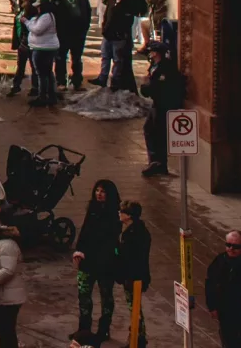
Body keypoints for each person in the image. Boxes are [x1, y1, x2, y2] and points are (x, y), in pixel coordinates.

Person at [70, 180, 120, 345]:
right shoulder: (92, 209)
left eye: (103, 191)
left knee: (106, 296)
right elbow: (85, 231)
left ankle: (103, 330)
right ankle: (83, 330)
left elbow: (108, 239)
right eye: (97, 190)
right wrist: (78, 250)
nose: (99, 194)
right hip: (87, 262)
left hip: (105, 264)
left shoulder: (114, 214)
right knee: (84, 296)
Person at [204, 230, 241, 346]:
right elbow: (210, 283)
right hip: (224, 310)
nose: (231, 249)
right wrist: (212, 306)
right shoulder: (220, 260)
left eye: (235, 246)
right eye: (228, 245)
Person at [139, 42, 184, 175]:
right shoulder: (155, 66)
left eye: (152, 51)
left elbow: (155, 87)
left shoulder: (165, 68)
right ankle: (155, 160)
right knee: (150, 129)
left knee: (157, 132)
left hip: (163, 104)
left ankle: (159, 162)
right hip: (157, 103)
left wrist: (145, 85)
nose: (150, 54)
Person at [113, 201, 152, 348]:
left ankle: (138, 337)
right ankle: (137, 336)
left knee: (134, 308)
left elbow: (129, 258)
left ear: (129, 216)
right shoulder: (136, 231)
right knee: (135, 308)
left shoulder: (133, 234)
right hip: (134, 276)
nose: (119, 213)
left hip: (133, 278)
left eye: (121, 212)